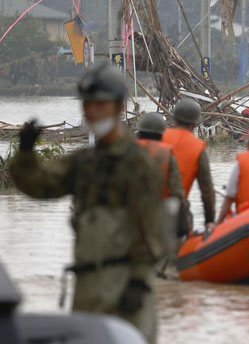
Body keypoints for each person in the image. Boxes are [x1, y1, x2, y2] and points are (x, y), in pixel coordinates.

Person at [9, 63, 163, 343]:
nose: (92, 112)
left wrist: (139, 281)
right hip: (86, 287)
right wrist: (26, 152)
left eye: (100, 104)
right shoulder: (84, 162)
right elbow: (40, 185)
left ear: (119, 106)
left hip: (125, 285)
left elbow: (152, 230)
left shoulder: (138, 163)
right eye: (87, 104)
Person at [162, 99, 215, 234]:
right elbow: (207, 191)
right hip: (174, 213)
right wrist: (210, 221)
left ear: (174, 119)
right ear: (195, 123)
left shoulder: (157, 137)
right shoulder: (197, 147)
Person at [137, 112, 187, 237]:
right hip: (157, 220)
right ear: (162, 135)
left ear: (138, 133)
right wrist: (183, 228)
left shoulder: (124, 151)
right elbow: (178, 193)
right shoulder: (167, 155)